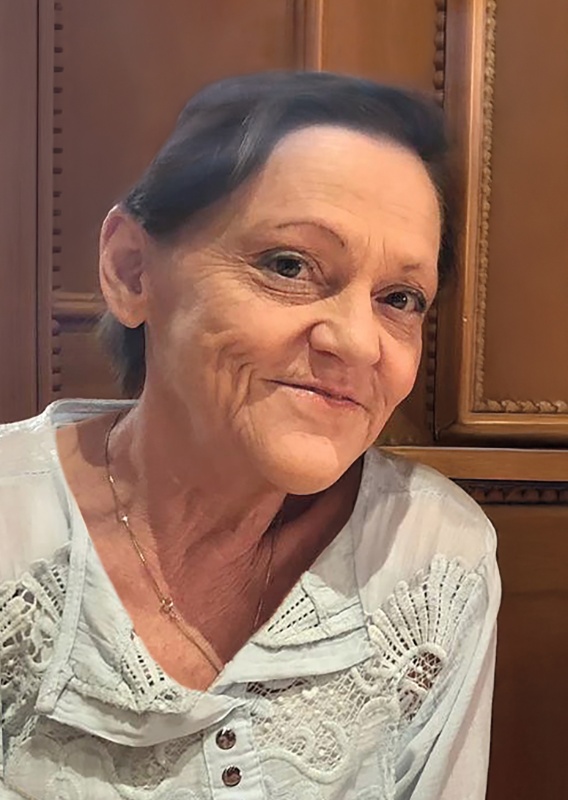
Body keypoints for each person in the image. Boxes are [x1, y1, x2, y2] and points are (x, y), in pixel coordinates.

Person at [0, 71, 500, 800]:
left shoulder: (433, 560)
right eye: (289, 265)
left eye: (399, 298)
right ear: (132, 271)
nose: (358, 343)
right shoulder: (14, 526)